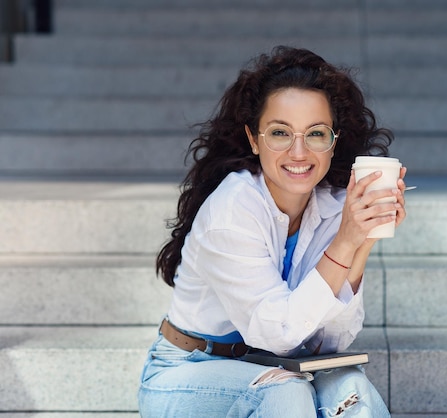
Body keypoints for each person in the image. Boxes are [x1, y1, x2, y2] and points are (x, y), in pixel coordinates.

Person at [138, 45, 407, 417]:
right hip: (189, 372)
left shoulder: (333, 206)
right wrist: (345, 241)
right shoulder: (233, 209)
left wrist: (362, 242)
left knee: (352, 389)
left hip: (271, 367)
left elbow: (328, 343)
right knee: (283, 393)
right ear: (254, 139)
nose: (299, 152)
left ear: (334, 141)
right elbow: (278, 336)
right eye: (281, 133)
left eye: (316, 134)